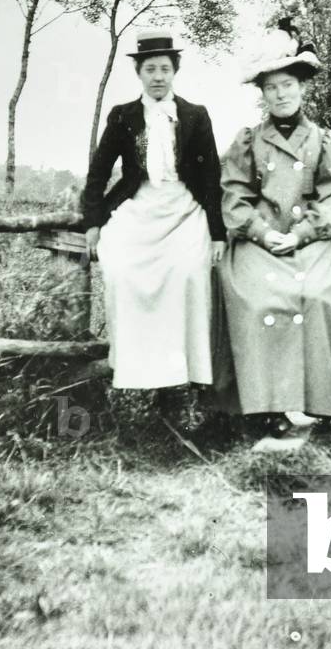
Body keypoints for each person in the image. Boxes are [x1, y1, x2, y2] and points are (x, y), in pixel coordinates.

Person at [212, 19, 331, 438]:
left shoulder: (322, 140)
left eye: (288, 85)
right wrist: (263, 233)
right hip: (259, 241)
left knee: (321, 296)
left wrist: (299, 235)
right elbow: (234, 199)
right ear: (263, 94)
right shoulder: (248, 141)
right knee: (258, 298)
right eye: (272, 87)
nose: (281, 94)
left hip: (310, 239)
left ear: (301, 88)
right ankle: (263, 407)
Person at [81, 28, 226, 410]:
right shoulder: (123, 116)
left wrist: (217, 233)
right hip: (139, 206)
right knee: (122, 271)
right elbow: (98, 172)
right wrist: (93, 223)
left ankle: (183, 374)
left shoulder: (195, 115)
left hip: (184, 209)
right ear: (139, 73)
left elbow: (211, 176)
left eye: (164, 68)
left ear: (175, 70)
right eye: (150, 69)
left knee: (189, 273)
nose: (158, 77)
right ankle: (138, 368)